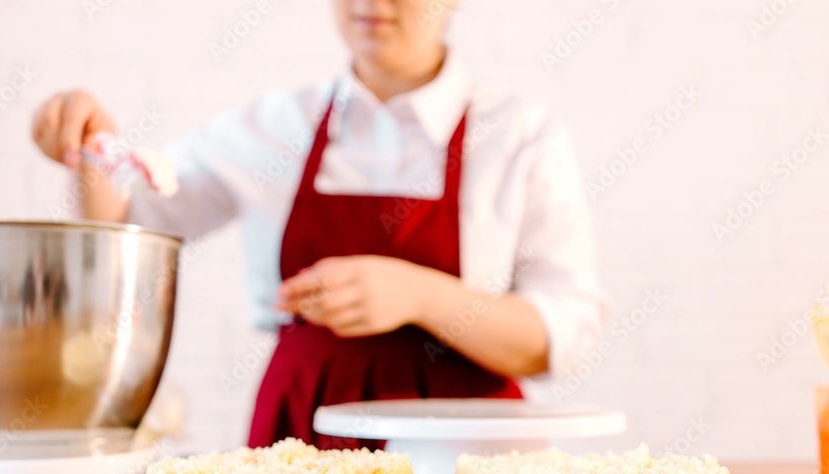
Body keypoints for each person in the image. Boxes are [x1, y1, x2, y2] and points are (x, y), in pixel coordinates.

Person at [31, 0, 608, 450]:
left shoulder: (518, 136)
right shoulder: (274, 127)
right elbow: (129, 225)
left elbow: (561, 334)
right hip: (300, 438)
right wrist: (91, 144)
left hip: (464, 454)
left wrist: (420, 295)